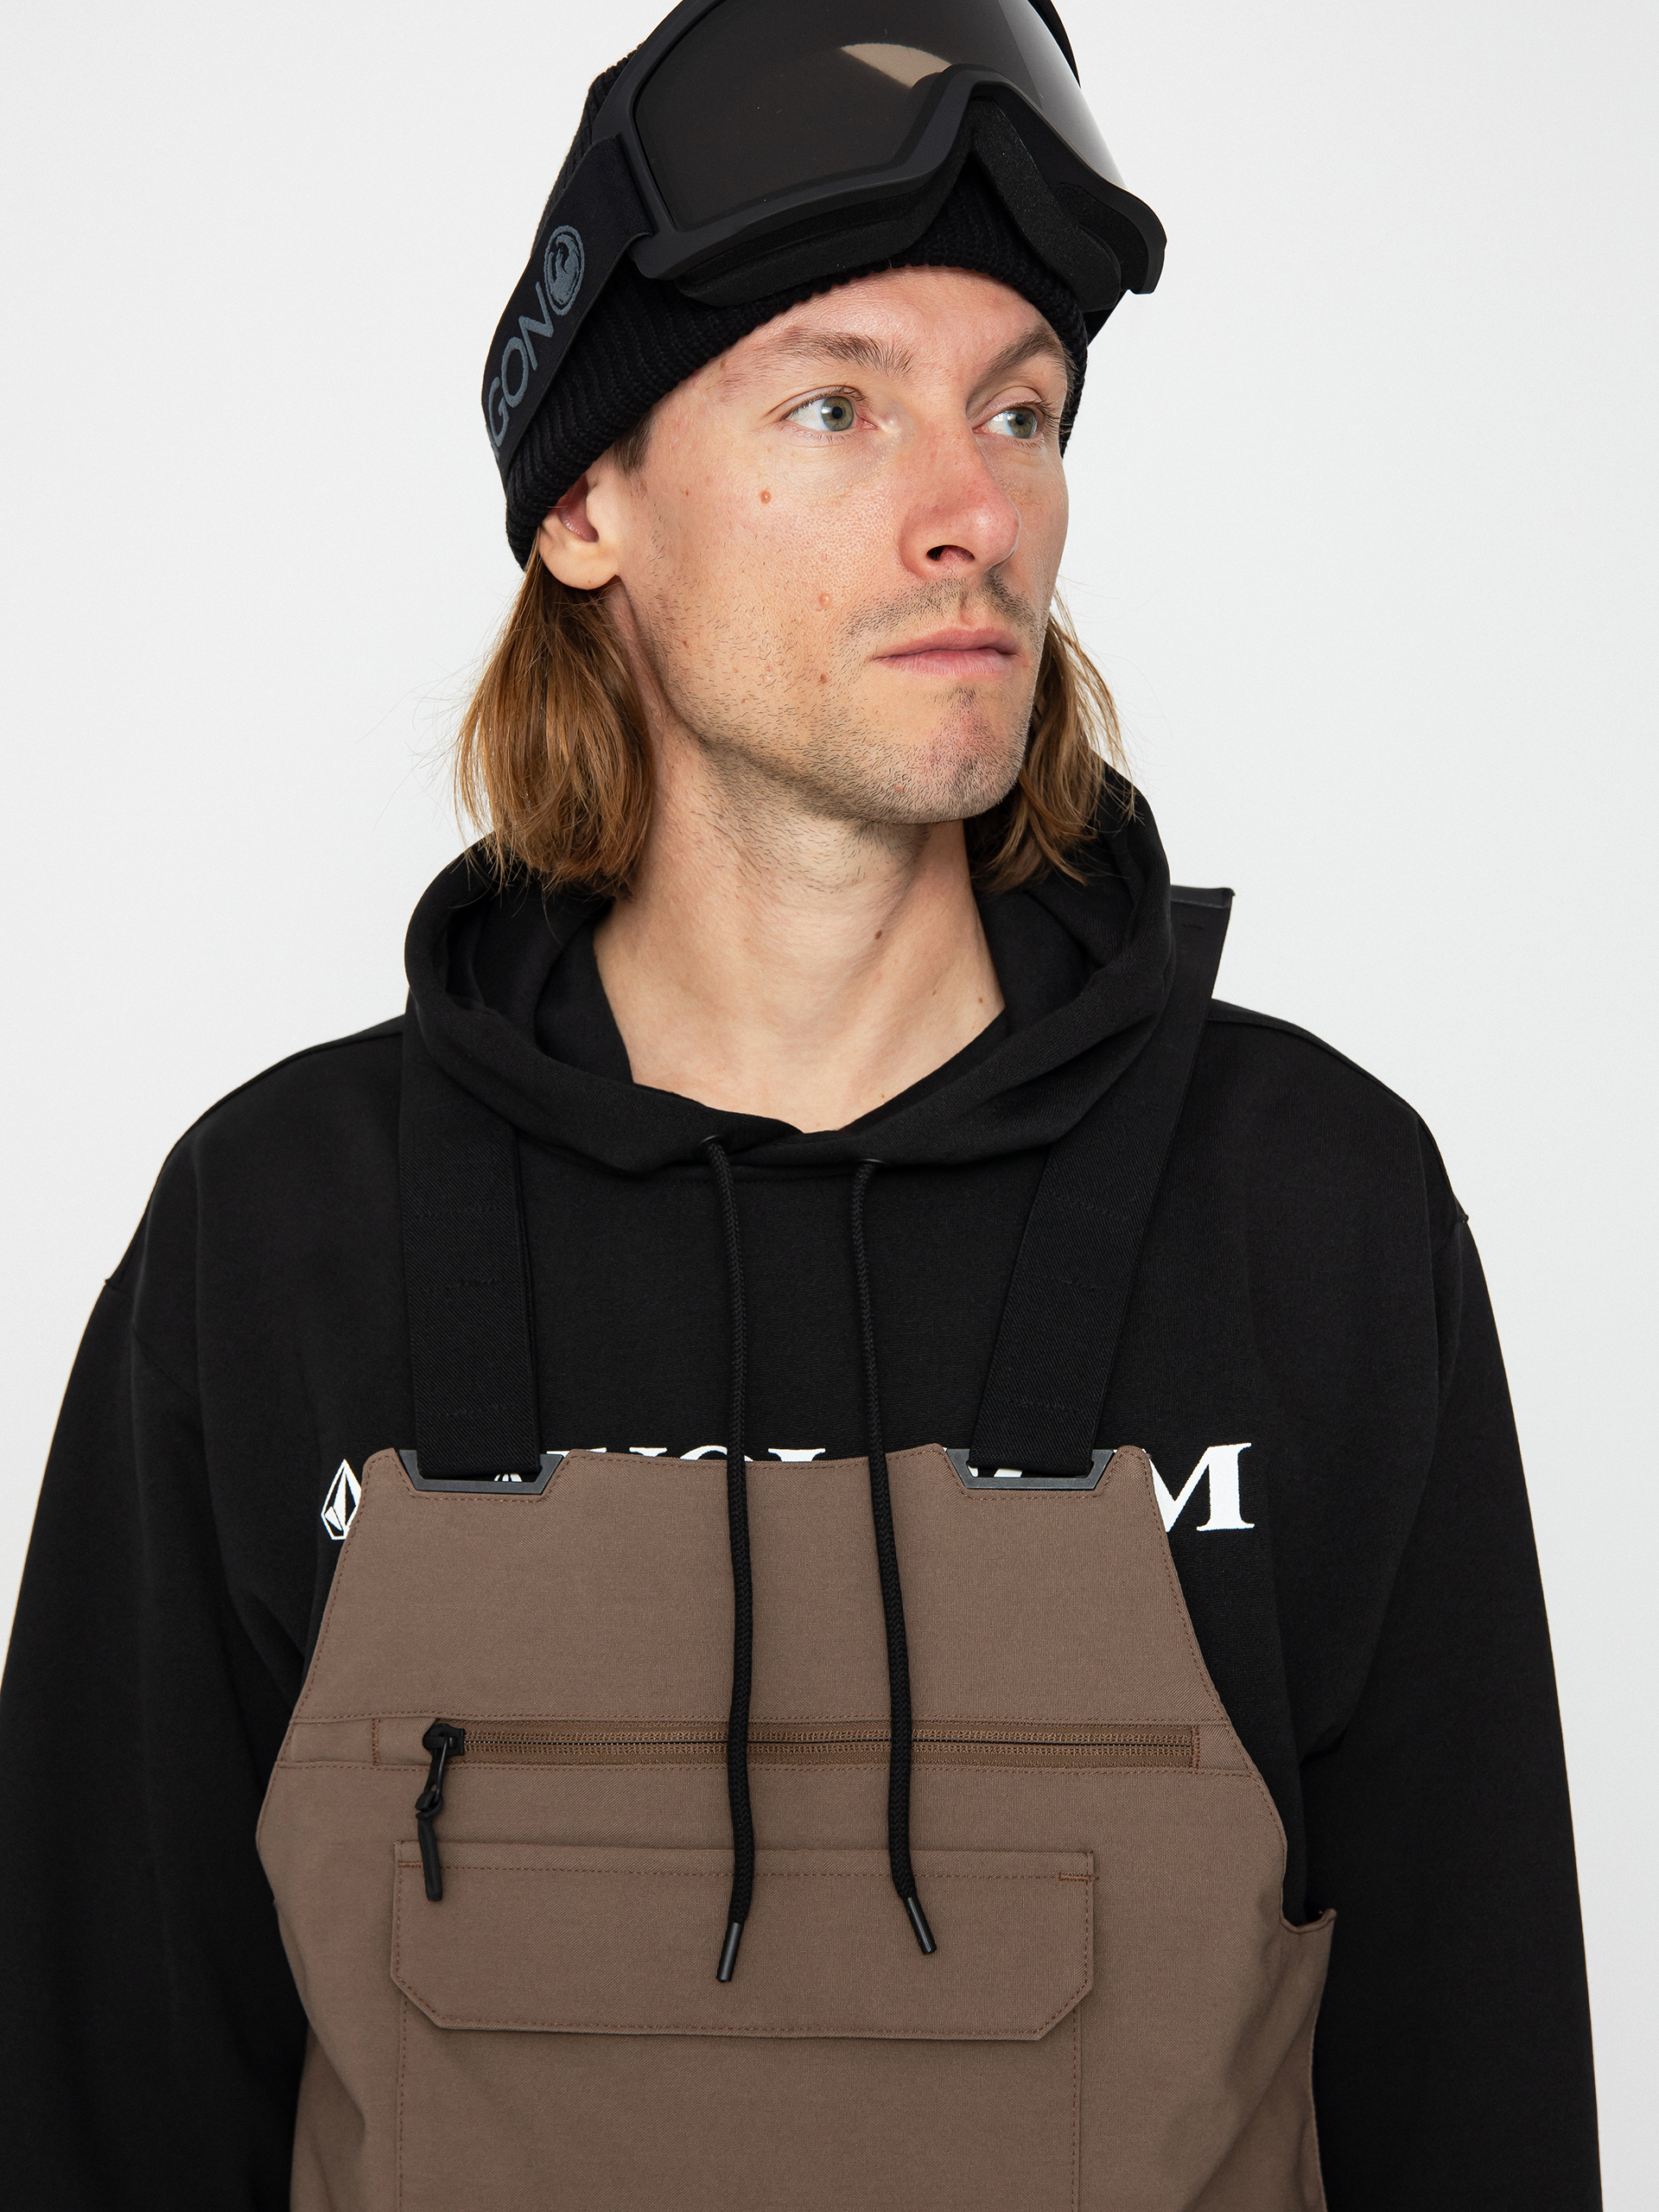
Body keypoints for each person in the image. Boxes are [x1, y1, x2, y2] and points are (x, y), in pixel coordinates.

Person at [0, 3, 1600, 2207]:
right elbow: (94, 2114)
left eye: (1020, 409)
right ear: (587, 503)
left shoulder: (1312, 1216)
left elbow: (1479, 2100)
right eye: (837, 405)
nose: (976, 514)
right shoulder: (278, 1243)